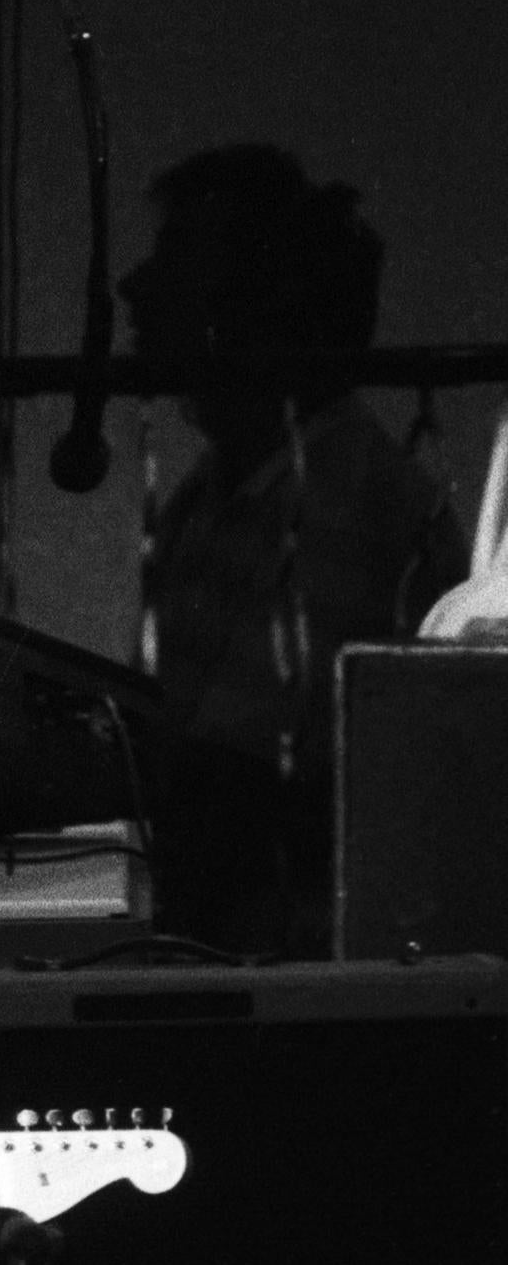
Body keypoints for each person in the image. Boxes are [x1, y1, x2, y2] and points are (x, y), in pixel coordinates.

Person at [123, 144, 464, 955]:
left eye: (176, 260)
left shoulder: (345, 504)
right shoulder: (225, 487)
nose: (132, 288)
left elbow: (241, 783)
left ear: (251, 306)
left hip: (300, 967)